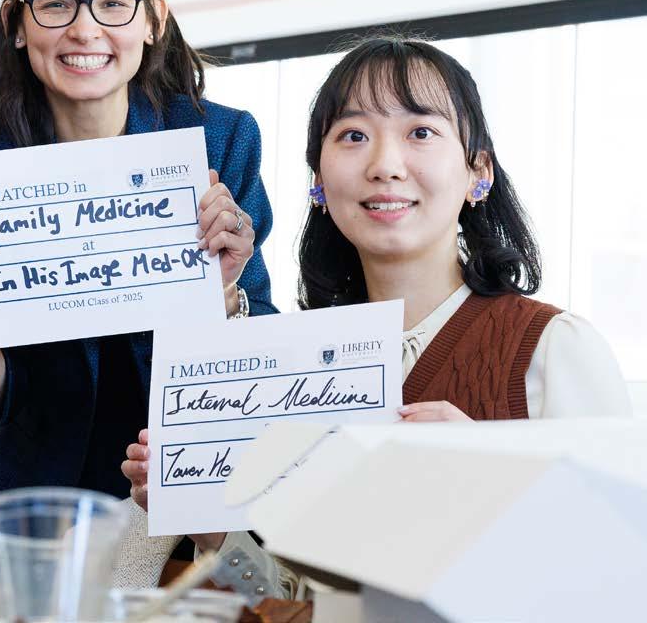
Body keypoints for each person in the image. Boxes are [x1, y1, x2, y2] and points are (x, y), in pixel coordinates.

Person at [120, 35, 633, 604]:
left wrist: (490, 483)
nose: (385, 165)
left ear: (478, 172)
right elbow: (308, 604)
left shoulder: (553, 349)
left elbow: (622, 578)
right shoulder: (305, 370)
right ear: (318, 182)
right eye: (354, 136)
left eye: (421, 132)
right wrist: (209, 527)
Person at [0, 0, 275, 509]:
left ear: (154, 21)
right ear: (16, 25)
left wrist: (222, 292)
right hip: (40, 505)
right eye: (56, 6)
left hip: (197, 485)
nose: (85, 30)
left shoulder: (218, 142)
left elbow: (260, 343)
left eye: (113, 5)